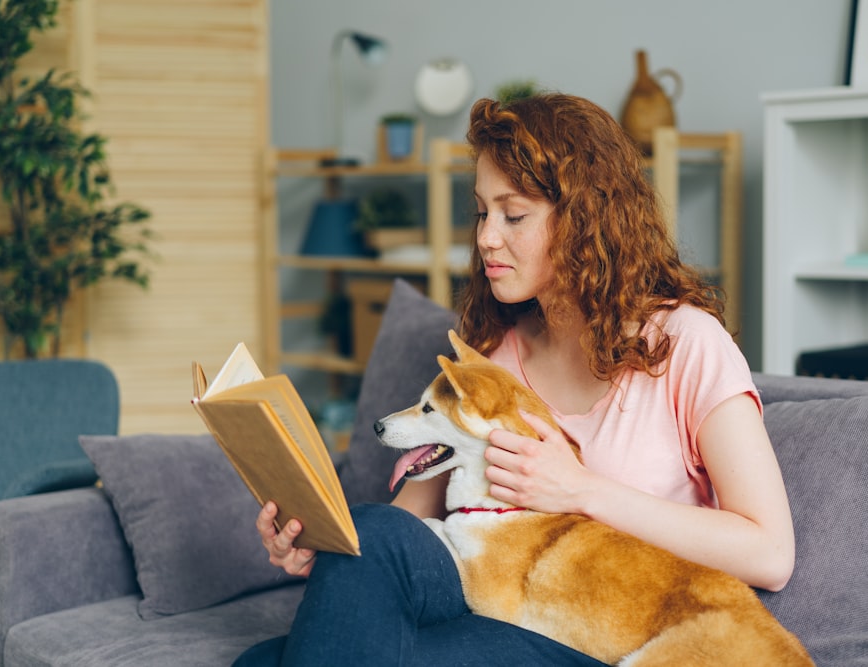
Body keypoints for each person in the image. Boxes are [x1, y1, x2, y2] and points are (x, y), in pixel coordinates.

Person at [234, 93, 795, 666]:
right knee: (358, 549)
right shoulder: (494, 358)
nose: (485, 239)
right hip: (498, 603)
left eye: (514, 214)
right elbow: (404, 528)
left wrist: (581, 490)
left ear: (587, 219)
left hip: (612, 634)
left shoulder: (685, 344)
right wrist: (325, 547)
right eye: (482, 212)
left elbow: (770, 552)